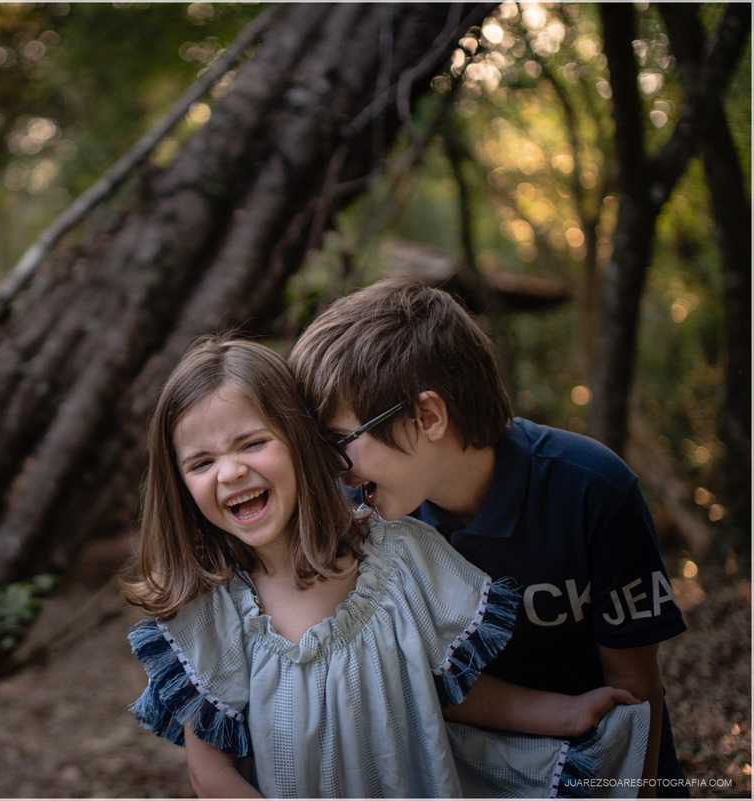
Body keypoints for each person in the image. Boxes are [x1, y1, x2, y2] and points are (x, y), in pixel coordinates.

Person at [124, 334, 649, 798]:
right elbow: (209, 775)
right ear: (180, 485)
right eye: (201, 462)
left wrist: (562, 712)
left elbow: (442, 686)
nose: (230, 472)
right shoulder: (209, 612)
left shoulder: (401, 559)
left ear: (304, 443)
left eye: (253, 443)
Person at [288, 276, 687, 798]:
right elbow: (408, 681)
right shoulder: (365, 521)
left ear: (427, 417)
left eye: (340, 441)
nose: (332, 467)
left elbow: (633, 692)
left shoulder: (591, 491)